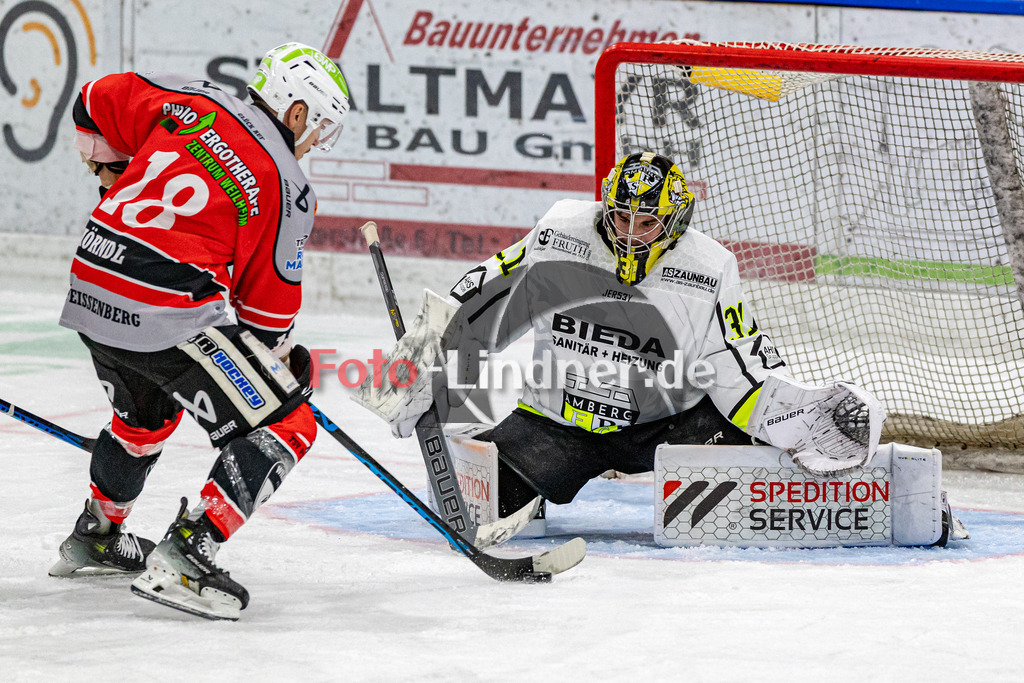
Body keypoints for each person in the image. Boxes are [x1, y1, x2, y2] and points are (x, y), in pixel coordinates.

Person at [356, 152, 896, 524]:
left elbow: (740, 366)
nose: (631, 234)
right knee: (482, 503)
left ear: (675, 222)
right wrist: (414, 369)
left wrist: (799, 411)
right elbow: (481, 301)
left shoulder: (709, 268)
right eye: (621, 217)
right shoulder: (559, 233)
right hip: (557, 425)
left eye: (648, 224)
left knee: (767, 469)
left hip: (669, 425)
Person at [49, 42, 350, 621]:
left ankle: (100, 531)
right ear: (296, 114)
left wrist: (109, 168)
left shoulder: (191, 98)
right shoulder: (289, 188)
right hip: (165, 301)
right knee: (289, 421)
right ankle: (188, 554)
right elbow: (264, 320)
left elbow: (91, 101)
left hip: (92, 277)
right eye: (320, 127)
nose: (315, 142)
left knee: (146, 413)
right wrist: (283, 371)